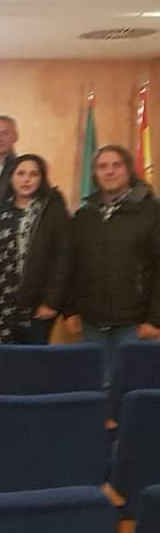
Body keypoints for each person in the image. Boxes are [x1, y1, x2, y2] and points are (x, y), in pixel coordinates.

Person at [65, 144, 160, 381]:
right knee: (96, 387)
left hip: (136, 323)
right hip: (91, 323)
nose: (109, 172)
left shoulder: (152, 212)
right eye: (102, 166)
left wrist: (154, 319)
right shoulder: (83, 215)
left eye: (116, 165)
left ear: (129, 170)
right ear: (95, 174)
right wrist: (71, 309)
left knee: (132, 389)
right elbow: (70, 266)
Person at [0, 153, 70, 345]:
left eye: (33, 174)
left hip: (38, 306)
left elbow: (64, 260)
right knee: (4, 364)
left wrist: (51, 302)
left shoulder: (54, 213)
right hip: (0, 305)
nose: (26, 179)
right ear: (11, 177)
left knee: (33, 365)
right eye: (21, 174)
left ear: (42, 178)